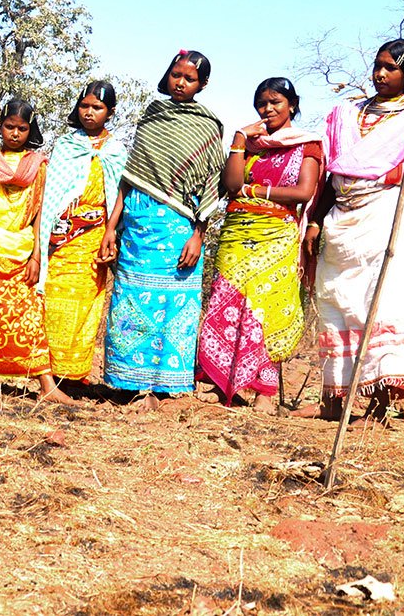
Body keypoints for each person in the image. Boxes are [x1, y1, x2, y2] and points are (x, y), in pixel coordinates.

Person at [299, 38, 404, 422]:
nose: (380, 73)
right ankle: (332, 401)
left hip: (385, 214)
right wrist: (314, 221)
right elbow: (332, 173)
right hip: (341, 217)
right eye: (378, 65)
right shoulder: (346, 113)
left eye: (390, 67)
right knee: (336, 298)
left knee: (381, 301)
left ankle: (379, 407)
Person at [100, 50, 224, 409]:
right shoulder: (152, 116)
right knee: (128, 300)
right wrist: (113, 227)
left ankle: (165, 387)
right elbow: (130, 178)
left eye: (189, 78)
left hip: (177, 228)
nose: (181, 83)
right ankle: (127, 382)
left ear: (203, 85)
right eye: (176, 75)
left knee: (174, 305)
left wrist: (197, 235)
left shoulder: (207, 126)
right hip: (137, 222)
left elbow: (210, 185)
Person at [196, 77, 322, 413]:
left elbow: (303, 192)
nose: (267, 110)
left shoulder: (306, 145)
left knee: (268, 310)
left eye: (275, 102)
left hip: (276, 235)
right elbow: (231, 184)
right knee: (226, 302)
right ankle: (215, 382)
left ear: (292, 105)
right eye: (262, 104)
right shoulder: (251, 145)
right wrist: (238, 141)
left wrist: (256, 191)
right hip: (237, 232)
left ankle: (264, 391)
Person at [0, 99, 73, 404]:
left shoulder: (37, 166)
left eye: (22, 128)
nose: (15, 134)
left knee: (29, 314)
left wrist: (36, 255)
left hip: (19, 249)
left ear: (30, 130)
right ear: (0, 126)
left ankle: (46, 384)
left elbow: (40, 213)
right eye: (10, 127)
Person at [38, 80, 127, 388]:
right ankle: (50, 374)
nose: (89, 113)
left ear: (110, 112)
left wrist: (112, 234)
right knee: (54, 300)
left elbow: (119, 196)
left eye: (97, 108)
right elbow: (51, 193)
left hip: (96, 236)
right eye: (85, 106)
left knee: (87, 304)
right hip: (60, 237)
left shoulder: (116, 151)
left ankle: (74, 375)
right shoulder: (66, 144)